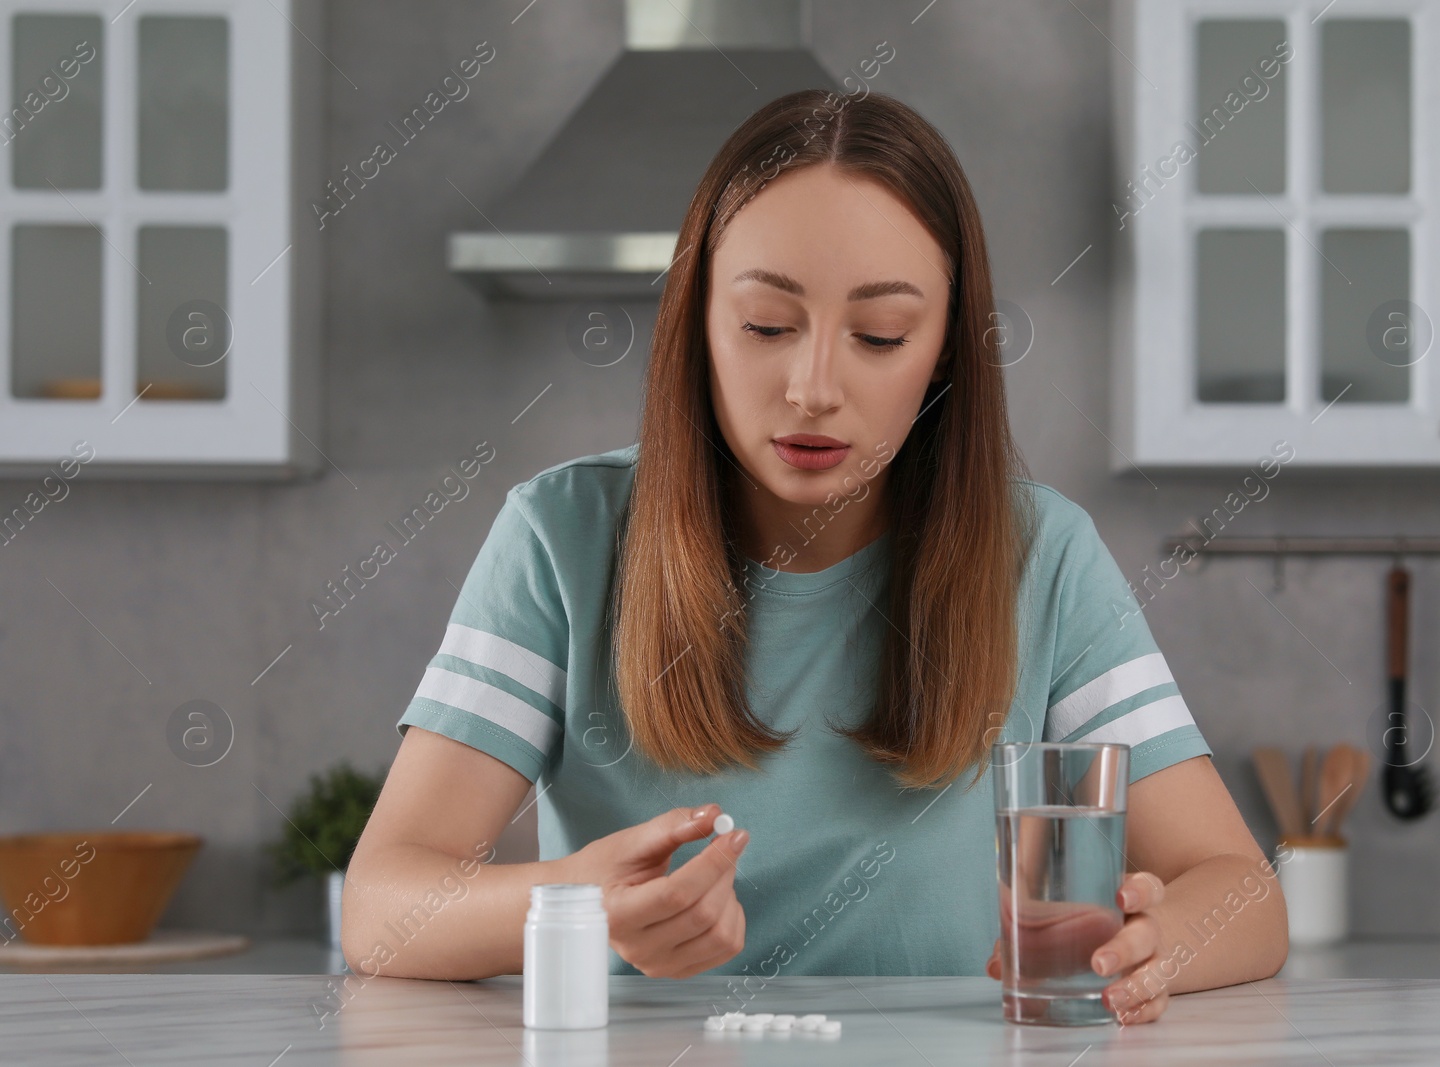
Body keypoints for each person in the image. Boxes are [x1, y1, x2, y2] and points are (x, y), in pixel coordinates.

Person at [342, 88, 1287, 1024]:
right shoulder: (561, 534)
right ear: (697, 322)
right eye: (765, 325)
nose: (813, 388)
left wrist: (1152, 946)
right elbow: (381, 904)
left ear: (946, 351)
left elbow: (1243, 890)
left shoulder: (1041, 556)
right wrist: (577, 905)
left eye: (881, 336)